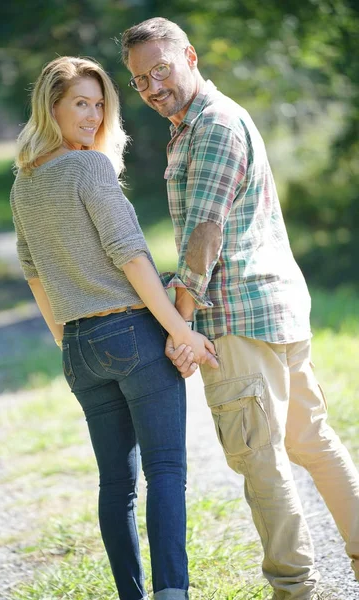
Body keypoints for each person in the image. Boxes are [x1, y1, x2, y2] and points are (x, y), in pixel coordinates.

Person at [120, 18, 359, 599]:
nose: (152, 86)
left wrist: (179, 325)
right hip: (275, 307)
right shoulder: (202, 121)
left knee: (261, 458)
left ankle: (293, 588)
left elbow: (205, 234)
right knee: (308, 439)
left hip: (238, 316)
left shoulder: (211, 126)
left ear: (190, 56)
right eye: (139, 79)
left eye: (161, 68)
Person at [10, 55, 218, 600]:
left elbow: (34, 275)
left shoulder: (23, 183)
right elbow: (130, 255)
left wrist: (67, 340)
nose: (92, 115)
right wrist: (179, 330)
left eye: (100, 104)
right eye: (80, 102)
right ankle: (172, 593)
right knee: (166, 470)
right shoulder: (89, 168)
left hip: (78, 348)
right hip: (131, 333)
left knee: (116, 485)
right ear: (50, 106)